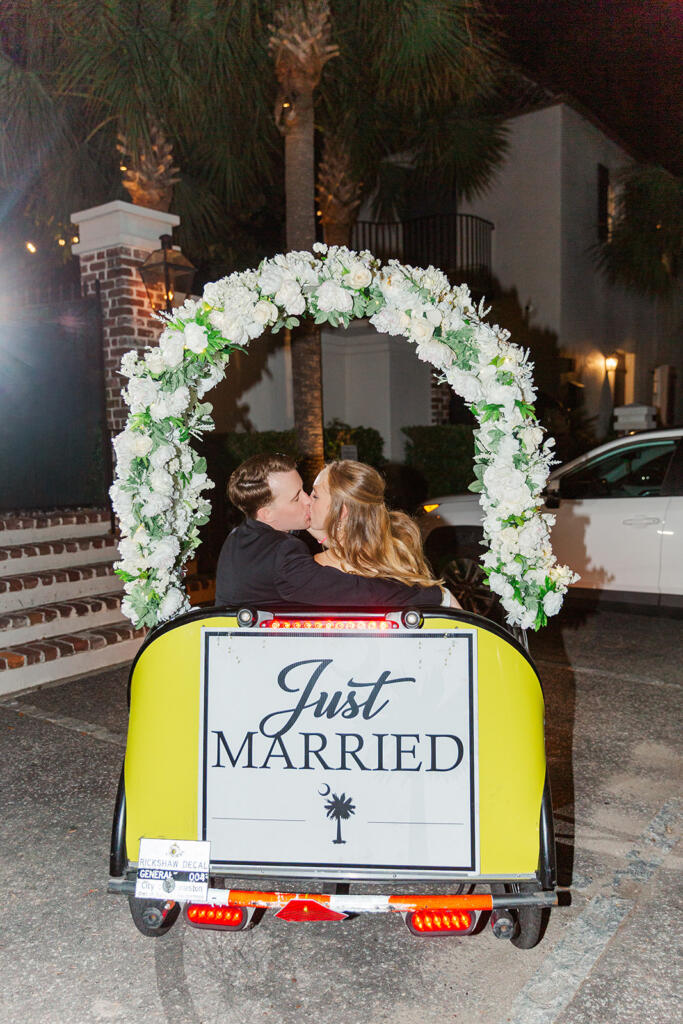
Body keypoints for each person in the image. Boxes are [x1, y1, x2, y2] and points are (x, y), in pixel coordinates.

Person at [214, 453, 447, 608]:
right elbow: (359, 592)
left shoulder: (239, 538)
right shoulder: (284, 554)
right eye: (297, 498)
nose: (307, 500)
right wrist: (437, 596)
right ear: (266, 514)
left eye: (308, 492)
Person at [308, 460, 460, 607]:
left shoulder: (313, 569)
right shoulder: (393, 556)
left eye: (315, 496)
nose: (307, 501)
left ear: (342, 511)